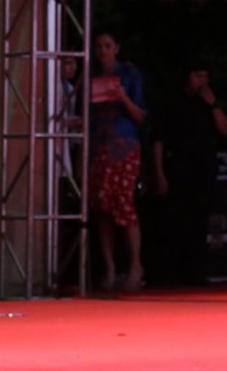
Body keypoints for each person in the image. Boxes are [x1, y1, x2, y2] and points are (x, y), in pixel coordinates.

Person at [151, 61, 227, 286]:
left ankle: (197, 273)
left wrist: (213, 105)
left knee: (200, 221)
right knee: (176, 221)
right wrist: (159, 173)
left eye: (205, 77)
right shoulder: (172, 103)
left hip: (204, 169)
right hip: (178, 168)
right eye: (197, 76)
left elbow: (225, 129)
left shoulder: (209, 103)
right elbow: (158, 139)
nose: (202, 82)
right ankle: (172, 274)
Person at [88, 30, 147, 291]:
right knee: (102, 207)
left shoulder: (130, 74)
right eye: (99, 46)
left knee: (124, 203)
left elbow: (141, 115)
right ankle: (110, 268)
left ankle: (135, 266)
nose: (103, 51)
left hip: (124, 146)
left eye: (107, 45)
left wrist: (122, 96)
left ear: (116, 48)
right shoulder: (92, 76)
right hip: (99, 146)